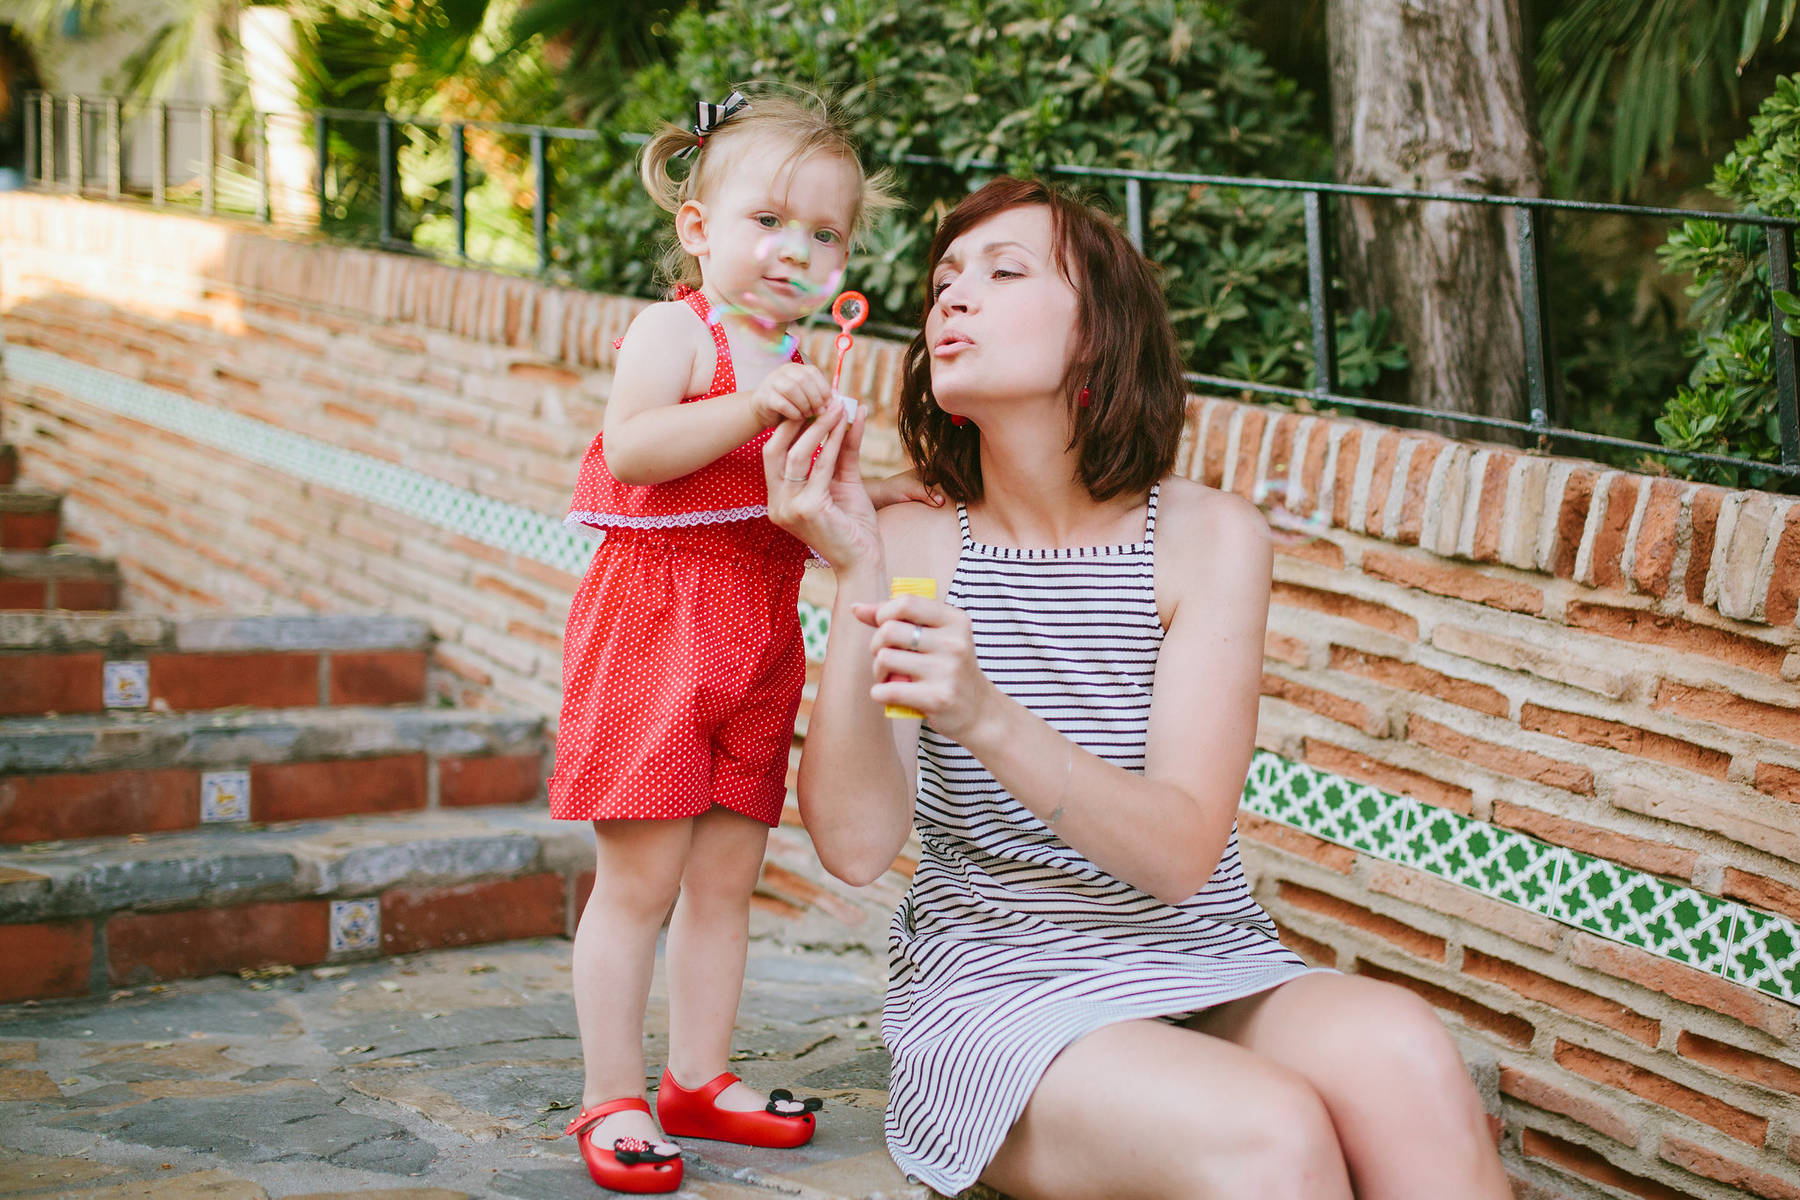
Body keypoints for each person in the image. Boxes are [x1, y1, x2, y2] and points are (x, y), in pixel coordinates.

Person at [763, 177, 1512, 1199]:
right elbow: (853, 847)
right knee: (1272, 1133)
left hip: (1206, 958)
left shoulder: (1207, 540)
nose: (953, 298)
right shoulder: (914, 543)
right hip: (1003, 989)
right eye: (944, 281)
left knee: (1410, 1057)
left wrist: (983, 712)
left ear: (1097, 333)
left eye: (1003, 271)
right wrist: (857, 568)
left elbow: (1177, 854)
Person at [548, 87, 927, 1195]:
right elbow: (634, 448)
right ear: (699, 228)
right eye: (768, 221)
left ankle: (698, 1080)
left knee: (727, 876)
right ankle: (611, 1095)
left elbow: (793, 507)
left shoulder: (801, 357)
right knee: (641, 881)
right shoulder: (684, 332)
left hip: (759, 636)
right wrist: (760, 409)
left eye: (824, 234)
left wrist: (873, 483)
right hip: (657, 624)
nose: (794, 249)